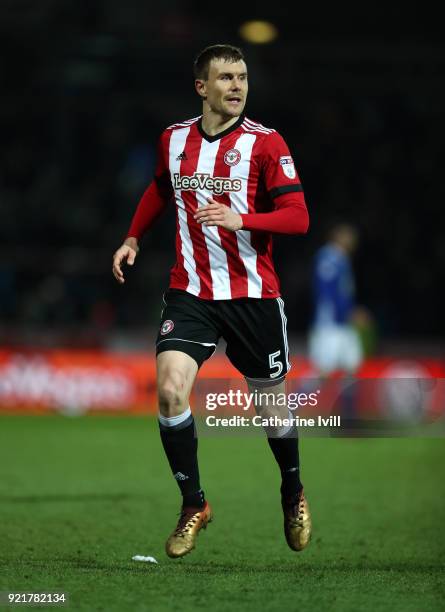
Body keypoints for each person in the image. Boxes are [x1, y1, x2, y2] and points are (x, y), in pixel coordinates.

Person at [112, 44, 311, 558]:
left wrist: (241, 218)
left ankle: (292, 491)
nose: (238, 86)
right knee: (171, 391)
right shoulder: (174, 139)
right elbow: (161, 188)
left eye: (242, 77)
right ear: (202, 86)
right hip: (191, 292)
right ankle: (193, 504)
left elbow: (298, 217)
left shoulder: (266, 145)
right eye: (226, 77)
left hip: (252, 295)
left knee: (272, 406)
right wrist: (133, 237)